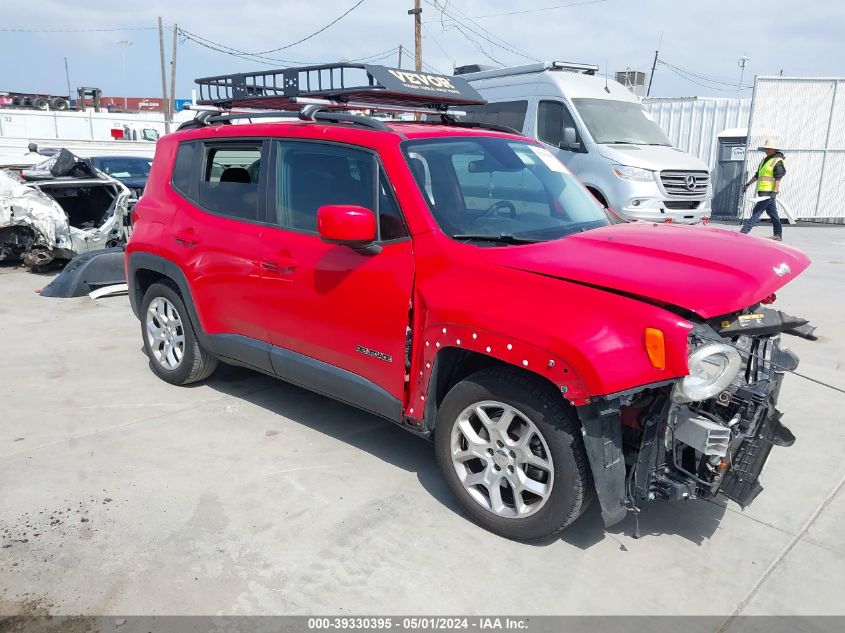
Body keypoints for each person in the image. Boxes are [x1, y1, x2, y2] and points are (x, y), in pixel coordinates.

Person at [740, 139, 786, 240]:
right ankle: (778, 235)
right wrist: (748, 184)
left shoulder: (777, 161)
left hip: (769, 192)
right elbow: (758, 175)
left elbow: (778, 177)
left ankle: (743, 232)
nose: (766, 150)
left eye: (768, 149)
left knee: (757, 211)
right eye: (766, 149)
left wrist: (775, 192)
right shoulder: (765, 160)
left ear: (773, 149)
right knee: (773, 213)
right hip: (763, 191)